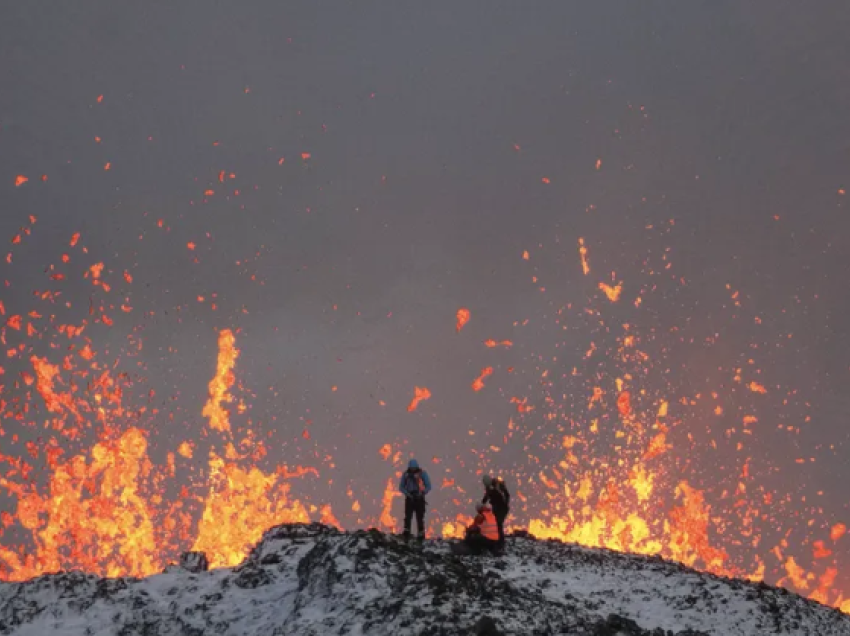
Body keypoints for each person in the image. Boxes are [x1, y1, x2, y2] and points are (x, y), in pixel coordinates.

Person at [399, 458, 431, 539]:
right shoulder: (406, 475)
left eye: (414, 468)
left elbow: (428, 486)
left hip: (419, 498)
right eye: (411, 468)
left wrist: (422, 493)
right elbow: (401, 487)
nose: (413, 470)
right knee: (408, 517)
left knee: (420, 517)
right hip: (410, 498)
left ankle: (421, 535)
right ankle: (406, 533)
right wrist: (408, 494)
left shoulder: (422, 474)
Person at [482, 475, 510, 550]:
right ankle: (498, 542)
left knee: (498, 524)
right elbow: (486, 499)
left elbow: (486, 498)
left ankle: (500, 543)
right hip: (500, 508)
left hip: (501, 508)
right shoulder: (493, 487)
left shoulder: (493, 488)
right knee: (497, 524)